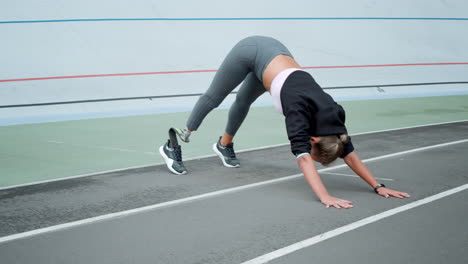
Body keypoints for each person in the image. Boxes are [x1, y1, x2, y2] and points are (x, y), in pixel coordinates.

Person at [159, 36, 410, 208]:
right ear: (313, 140)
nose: (309, 155)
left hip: (273, 63)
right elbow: (302, 159)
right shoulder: (298, 114)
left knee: (243, 102)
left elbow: (350, 154)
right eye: (313, 153)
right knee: (216, 96)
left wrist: (378, 186)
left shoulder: (334, 121)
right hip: (253, 50)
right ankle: (181, 137)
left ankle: (224, 145)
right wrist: (325, 196)